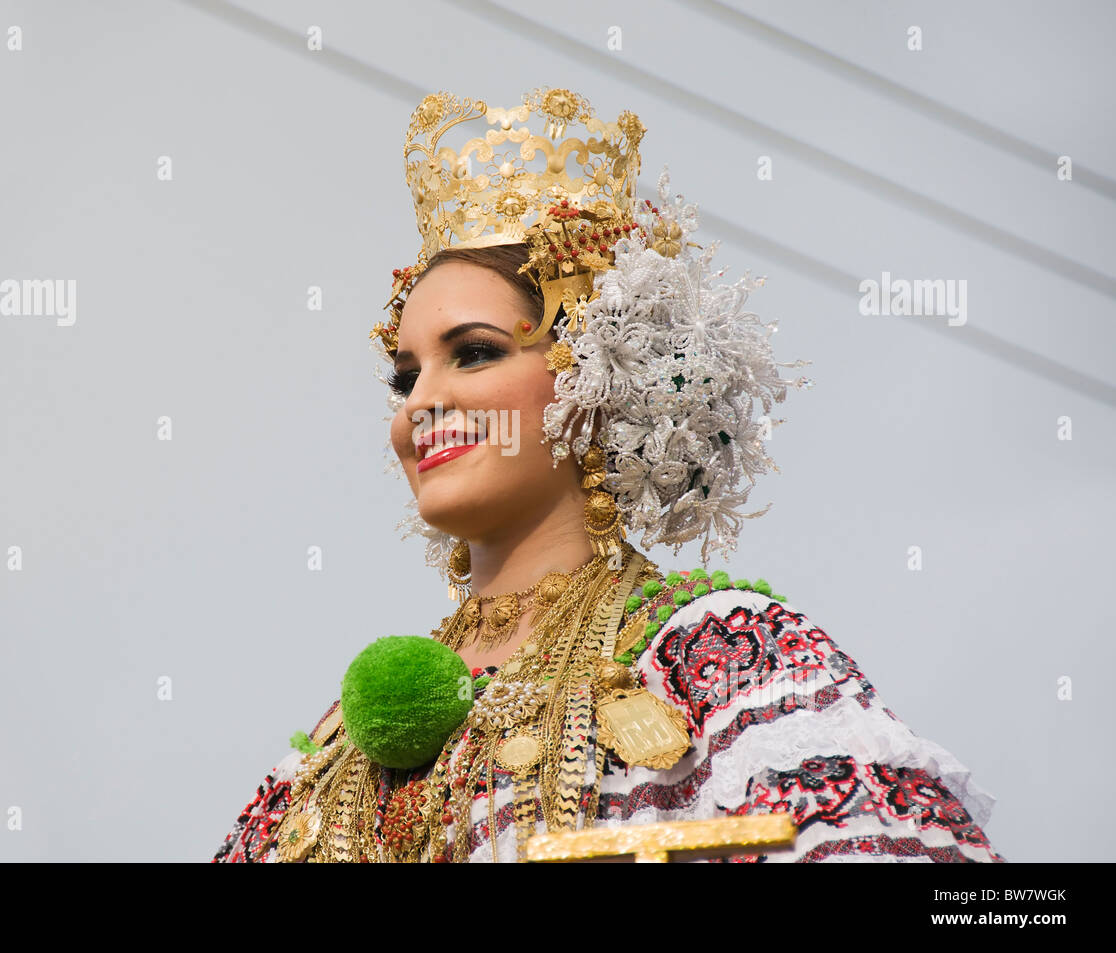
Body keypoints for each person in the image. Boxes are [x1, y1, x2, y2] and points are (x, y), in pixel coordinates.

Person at [212, 87, 1003, 863]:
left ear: (593, 370)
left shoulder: (718, 653)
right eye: (403, 376)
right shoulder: (327, 752)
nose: (423, 403)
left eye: (476, 351)